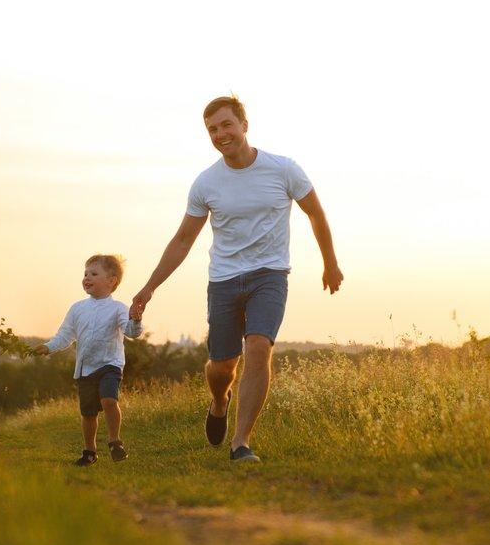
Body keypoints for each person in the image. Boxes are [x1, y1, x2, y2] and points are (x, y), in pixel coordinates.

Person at [129, 96, 343, 463]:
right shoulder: (206, 183)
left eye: (226, 125)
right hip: (224, 280)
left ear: (244, 125)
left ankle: (241, 442)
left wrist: (330, 263)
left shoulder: (284, 169)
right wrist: (149, 286)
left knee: (259, 348)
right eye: (212, 129)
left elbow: (316, 214)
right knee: (222, 366)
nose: (220, 134)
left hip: (270, 275)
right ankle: (218, 401)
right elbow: (183, 240)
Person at [33, 254, 143, 466]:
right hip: (85, 368)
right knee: (88, 413)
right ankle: (90, 452)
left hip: (110, 364)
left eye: (93, 274)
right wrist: (47, 347)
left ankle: (114, 441)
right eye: (85, 274)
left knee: (109, 401)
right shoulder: (77, 308)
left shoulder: (118, 308)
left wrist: (136, 319)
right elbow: (65, 336)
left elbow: (131, 332)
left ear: (112, 281)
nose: (87, 278)